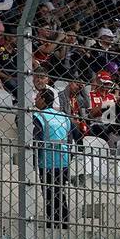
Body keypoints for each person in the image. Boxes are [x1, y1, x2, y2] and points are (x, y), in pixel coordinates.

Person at [32, 88, 74, 229]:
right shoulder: (64, 116)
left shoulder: (38, 116)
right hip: (64, 160)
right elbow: (70, 139)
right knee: (60, 192)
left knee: (49, 194)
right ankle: (63, 222)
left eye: (37, 97)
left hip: (47, 160)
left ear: (43, 100)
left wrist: (34, 161)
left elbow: (36, 138)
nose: (35, 99)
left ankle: (52, 223)